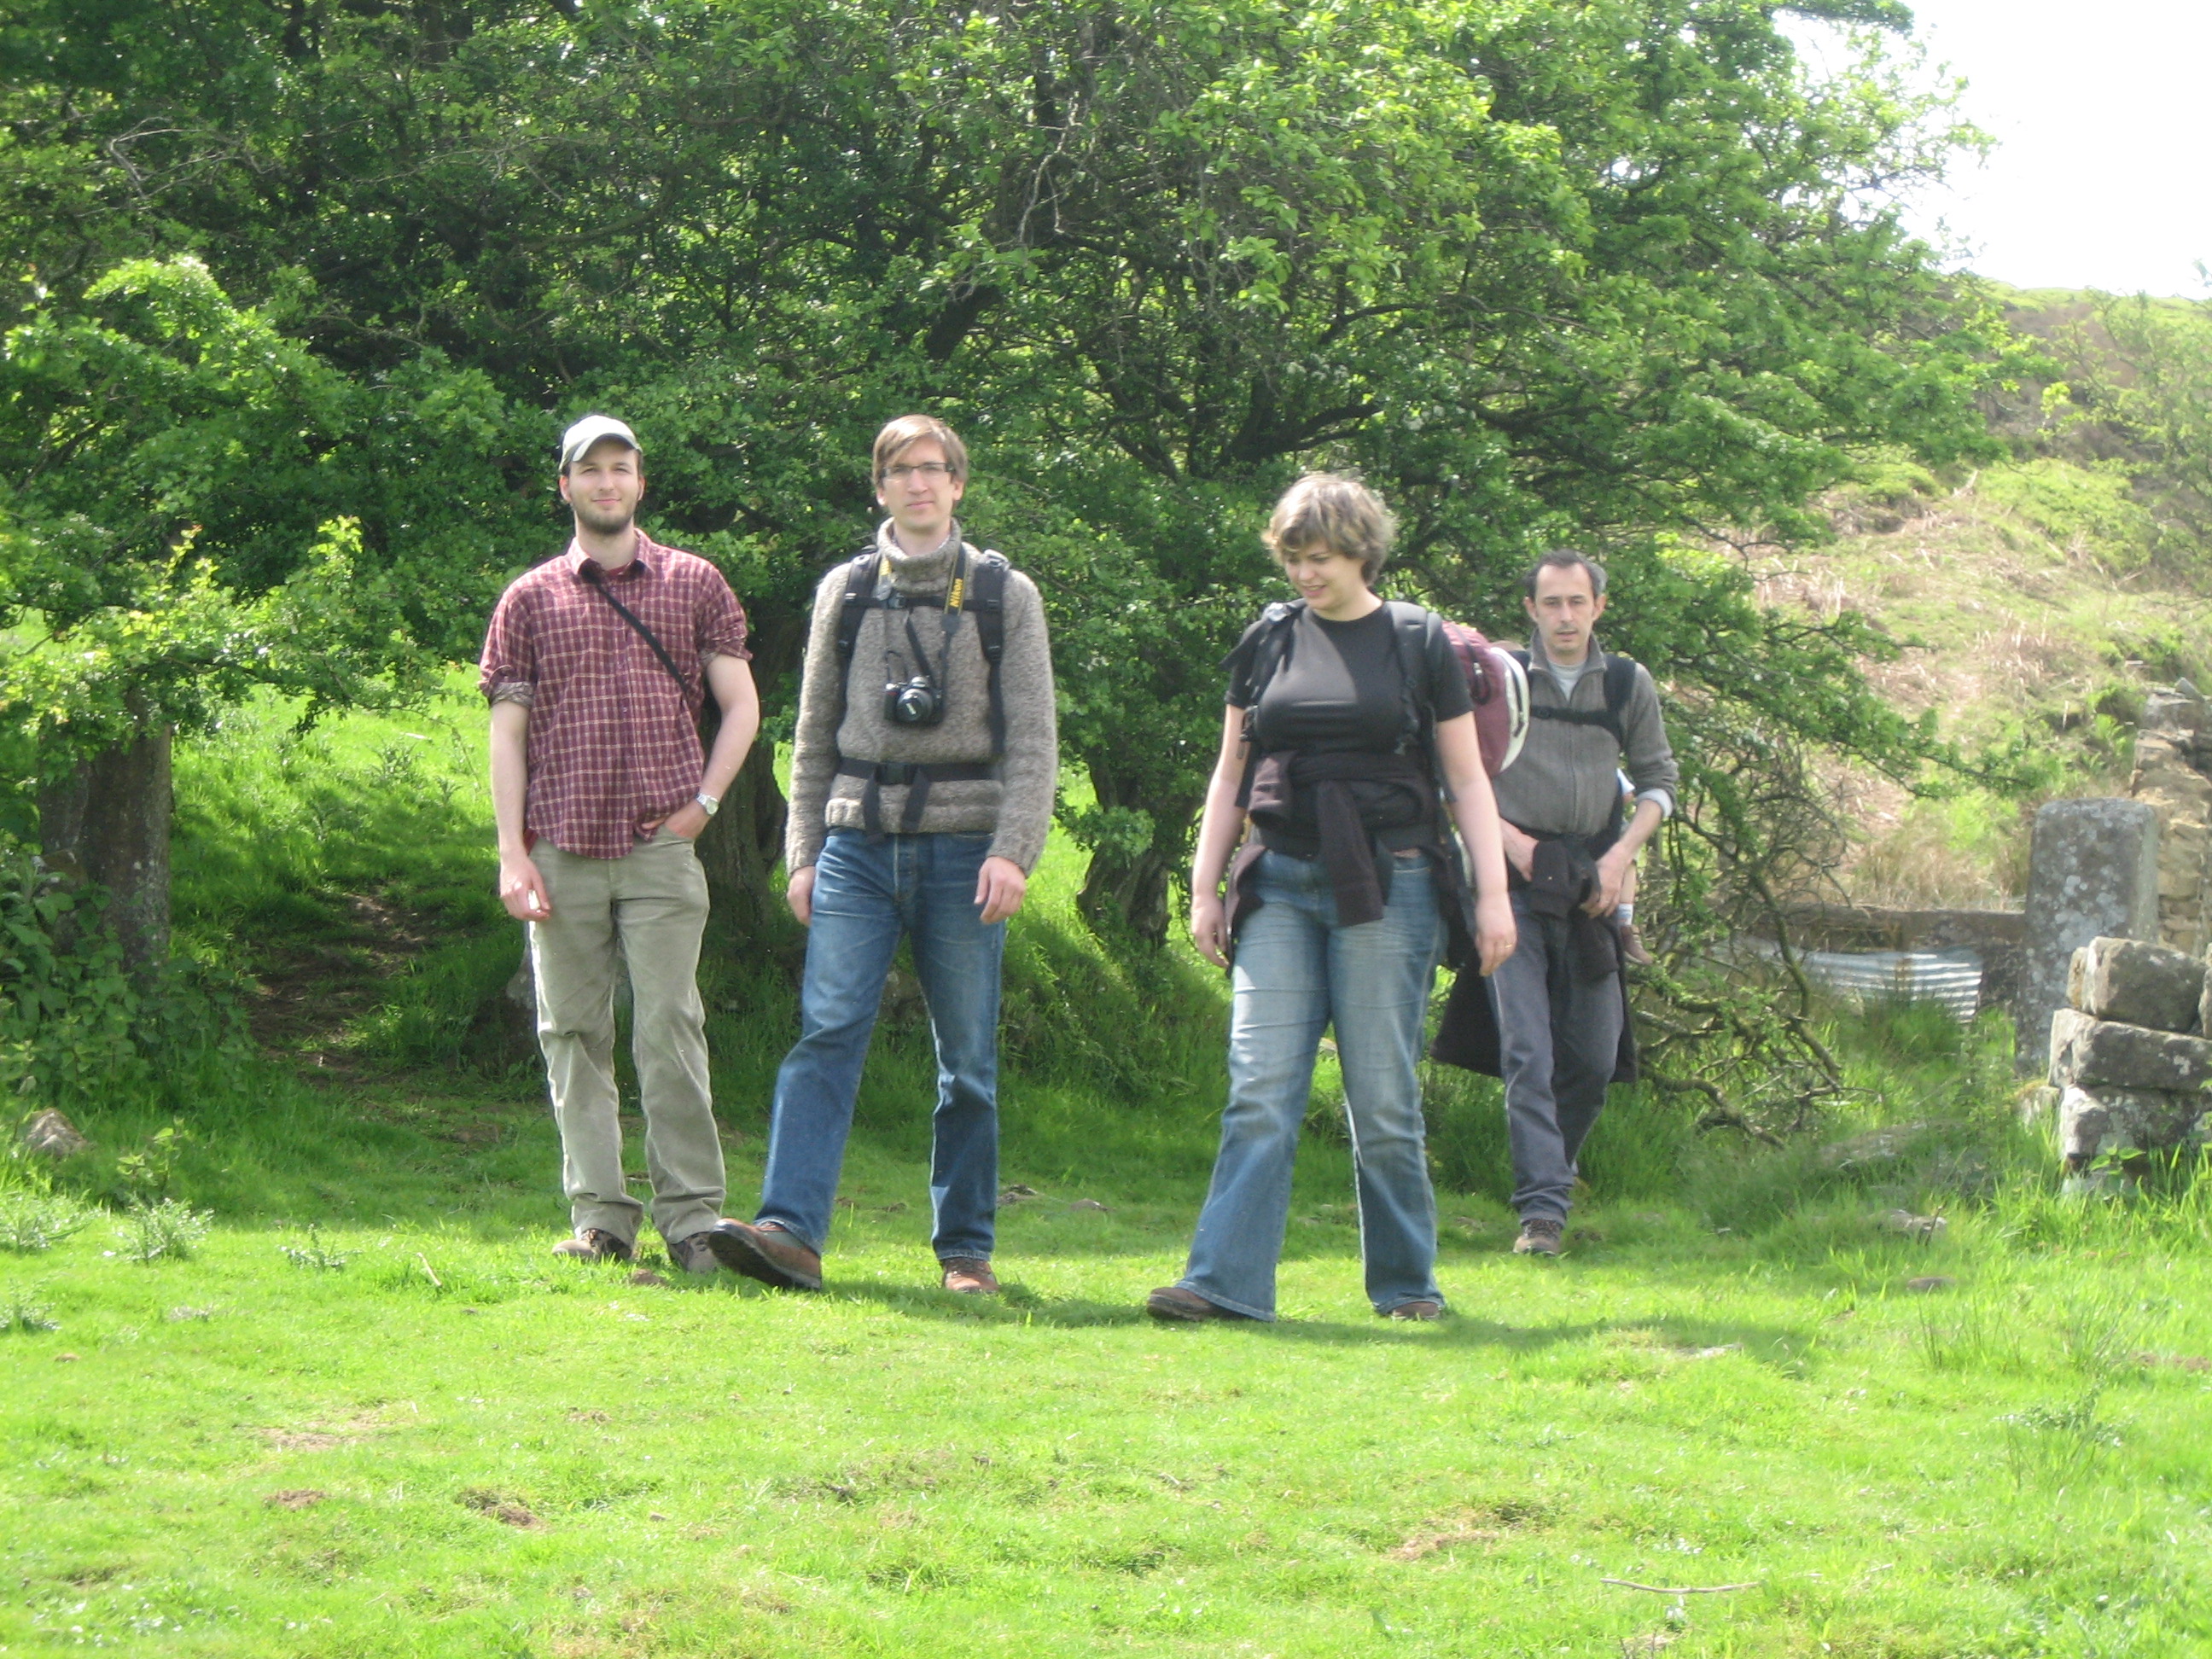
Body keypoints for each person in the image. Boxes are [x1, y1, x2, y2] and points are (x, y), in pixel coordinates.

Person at [1146, 474, 1517, 1325]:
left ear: (1362, 553)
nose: (1306, 574)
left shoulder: (1418, 641)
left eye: (1321, 558)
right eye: (1294, 558)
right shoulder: (1269, 639)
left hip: (1393, 883)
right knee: (1259, 1087)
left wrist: (1493, 898)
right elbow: (1231, 773)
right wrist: (1204, 888)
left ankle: (1407, 1286)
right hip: (1280, 878)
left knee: (1381, 1099)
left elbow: (1467, 780)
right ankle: (1224, 1283)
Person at [705, 415, 1057, 1296]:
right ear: (881, 486)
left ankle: (965, 1252)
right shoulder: (848, 591)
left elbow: (1034, 741)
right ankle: (790, 1232)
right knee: (825, 1035)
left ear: (958, 484)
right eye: (902, 470)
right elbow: (812, 732)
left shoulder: (1005, 595)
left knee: (966, 1062)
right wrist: (802, 853)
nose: (919, 483)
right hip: (856, 847)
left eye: (934, 469)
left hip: (966, 850)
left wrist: (1015, 851)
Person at [481, 415, 762, 1272]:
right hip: (560, 848)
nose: (607, 483)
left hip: (658, 849)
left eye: (621, 468)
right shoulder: (529, 599)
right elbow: (506, 734)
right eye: (590, 470)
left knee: (671, 1028)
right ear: (564, 485)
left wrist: (702, 807)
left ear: (641, 482)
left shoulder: (694, 582)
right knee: (573, 1033)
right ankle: (601, 1220)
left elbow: (742, 706)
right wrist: (512, 853)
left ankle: (693, 1223)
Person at [1430, 548, 1678, 1256]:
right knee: (1527, 1049)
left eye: (1577, 602)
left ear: (1599, 606)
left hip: (1589, 885)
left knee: (1593, 1059)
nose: (1565, 617)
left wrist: (1619, 858)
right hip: (1508, 885)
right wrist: (1509, 845)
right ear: (1531, 610)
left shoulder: (1627, 683)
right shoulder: (1497, 675)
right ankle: (1542, 1213)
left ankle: (1552, 1175)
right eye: (1551, 603)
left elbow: (1659, 779)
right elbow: (1454, 772)